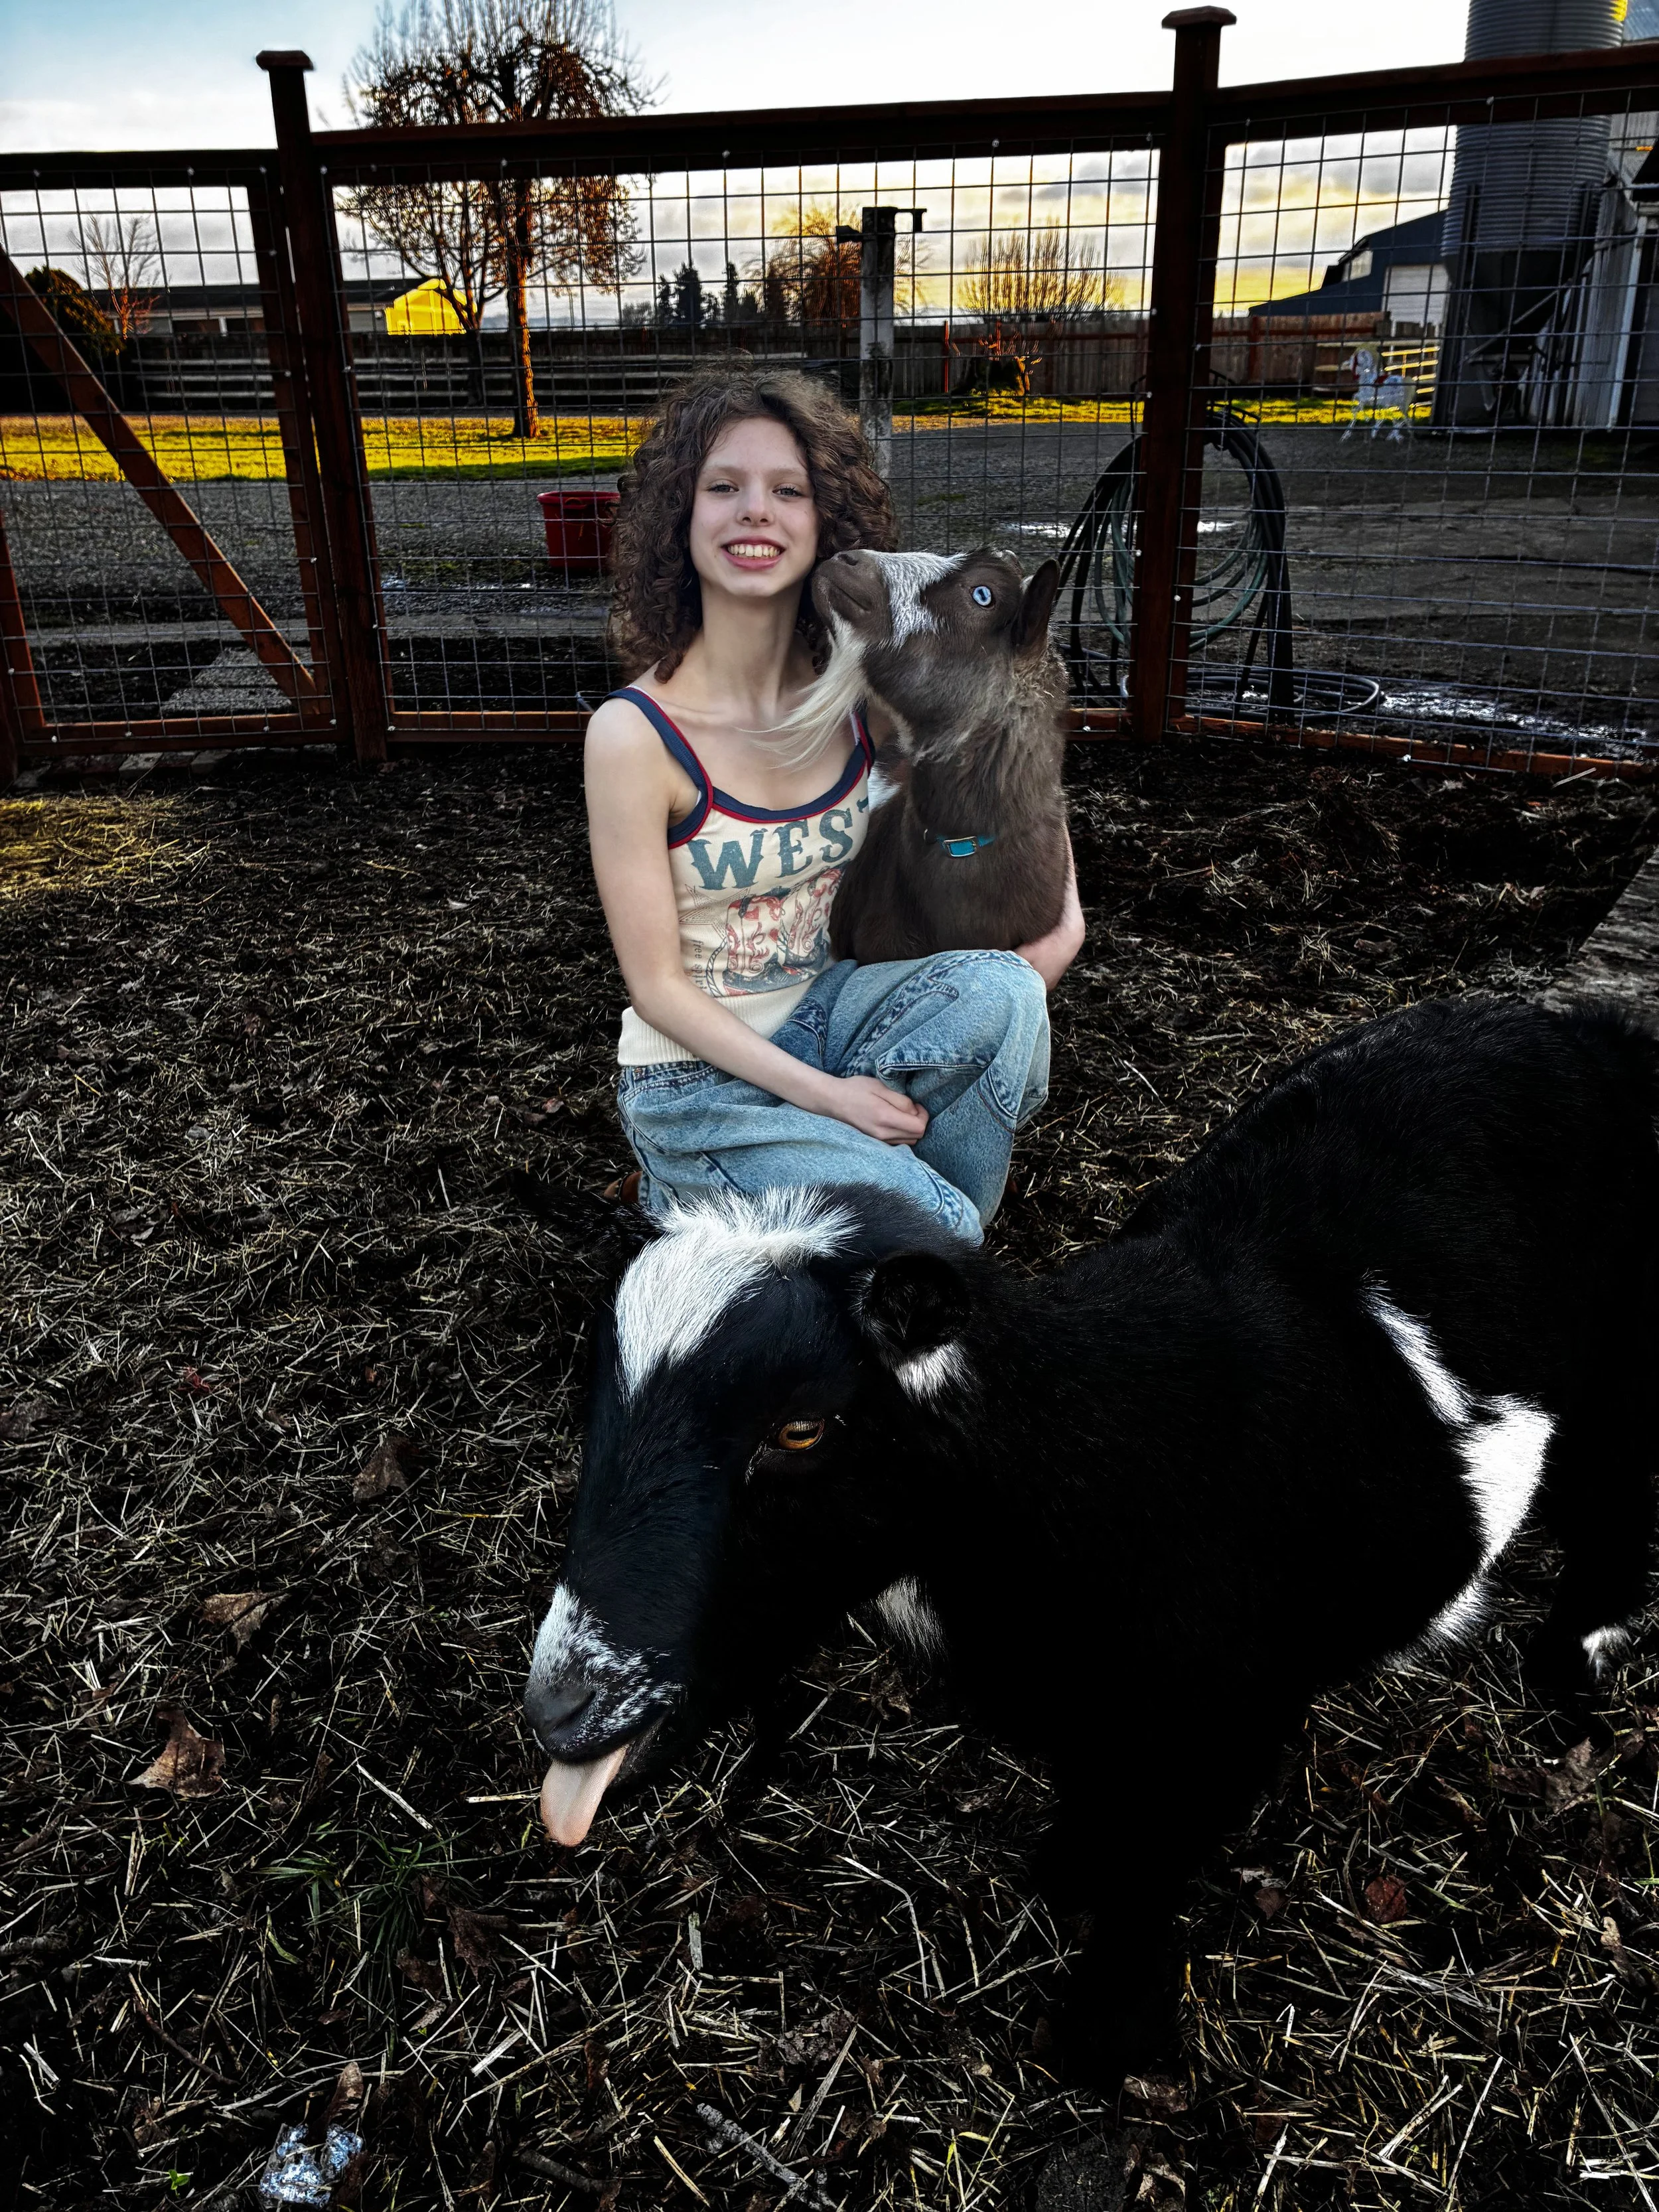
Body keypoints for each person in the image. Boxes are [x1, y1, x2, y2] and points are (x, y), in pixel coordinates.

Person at [584, 366, 1084, 1248]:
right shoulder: (634, 736)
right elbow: (656, 987)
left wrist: (1057, 939)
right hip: (697, 1084)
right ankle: (712, 1205)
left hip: (832, 1018)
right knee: (941, 1230)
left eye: (789, 490)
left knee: (1004, 991)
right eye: (723, 487)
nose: (755, 511)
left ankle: (856, 1235)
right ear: (681, 517)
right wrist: (830, 1100)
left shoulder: (863, 697)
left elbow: (1003, 768)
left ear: (824, 525)